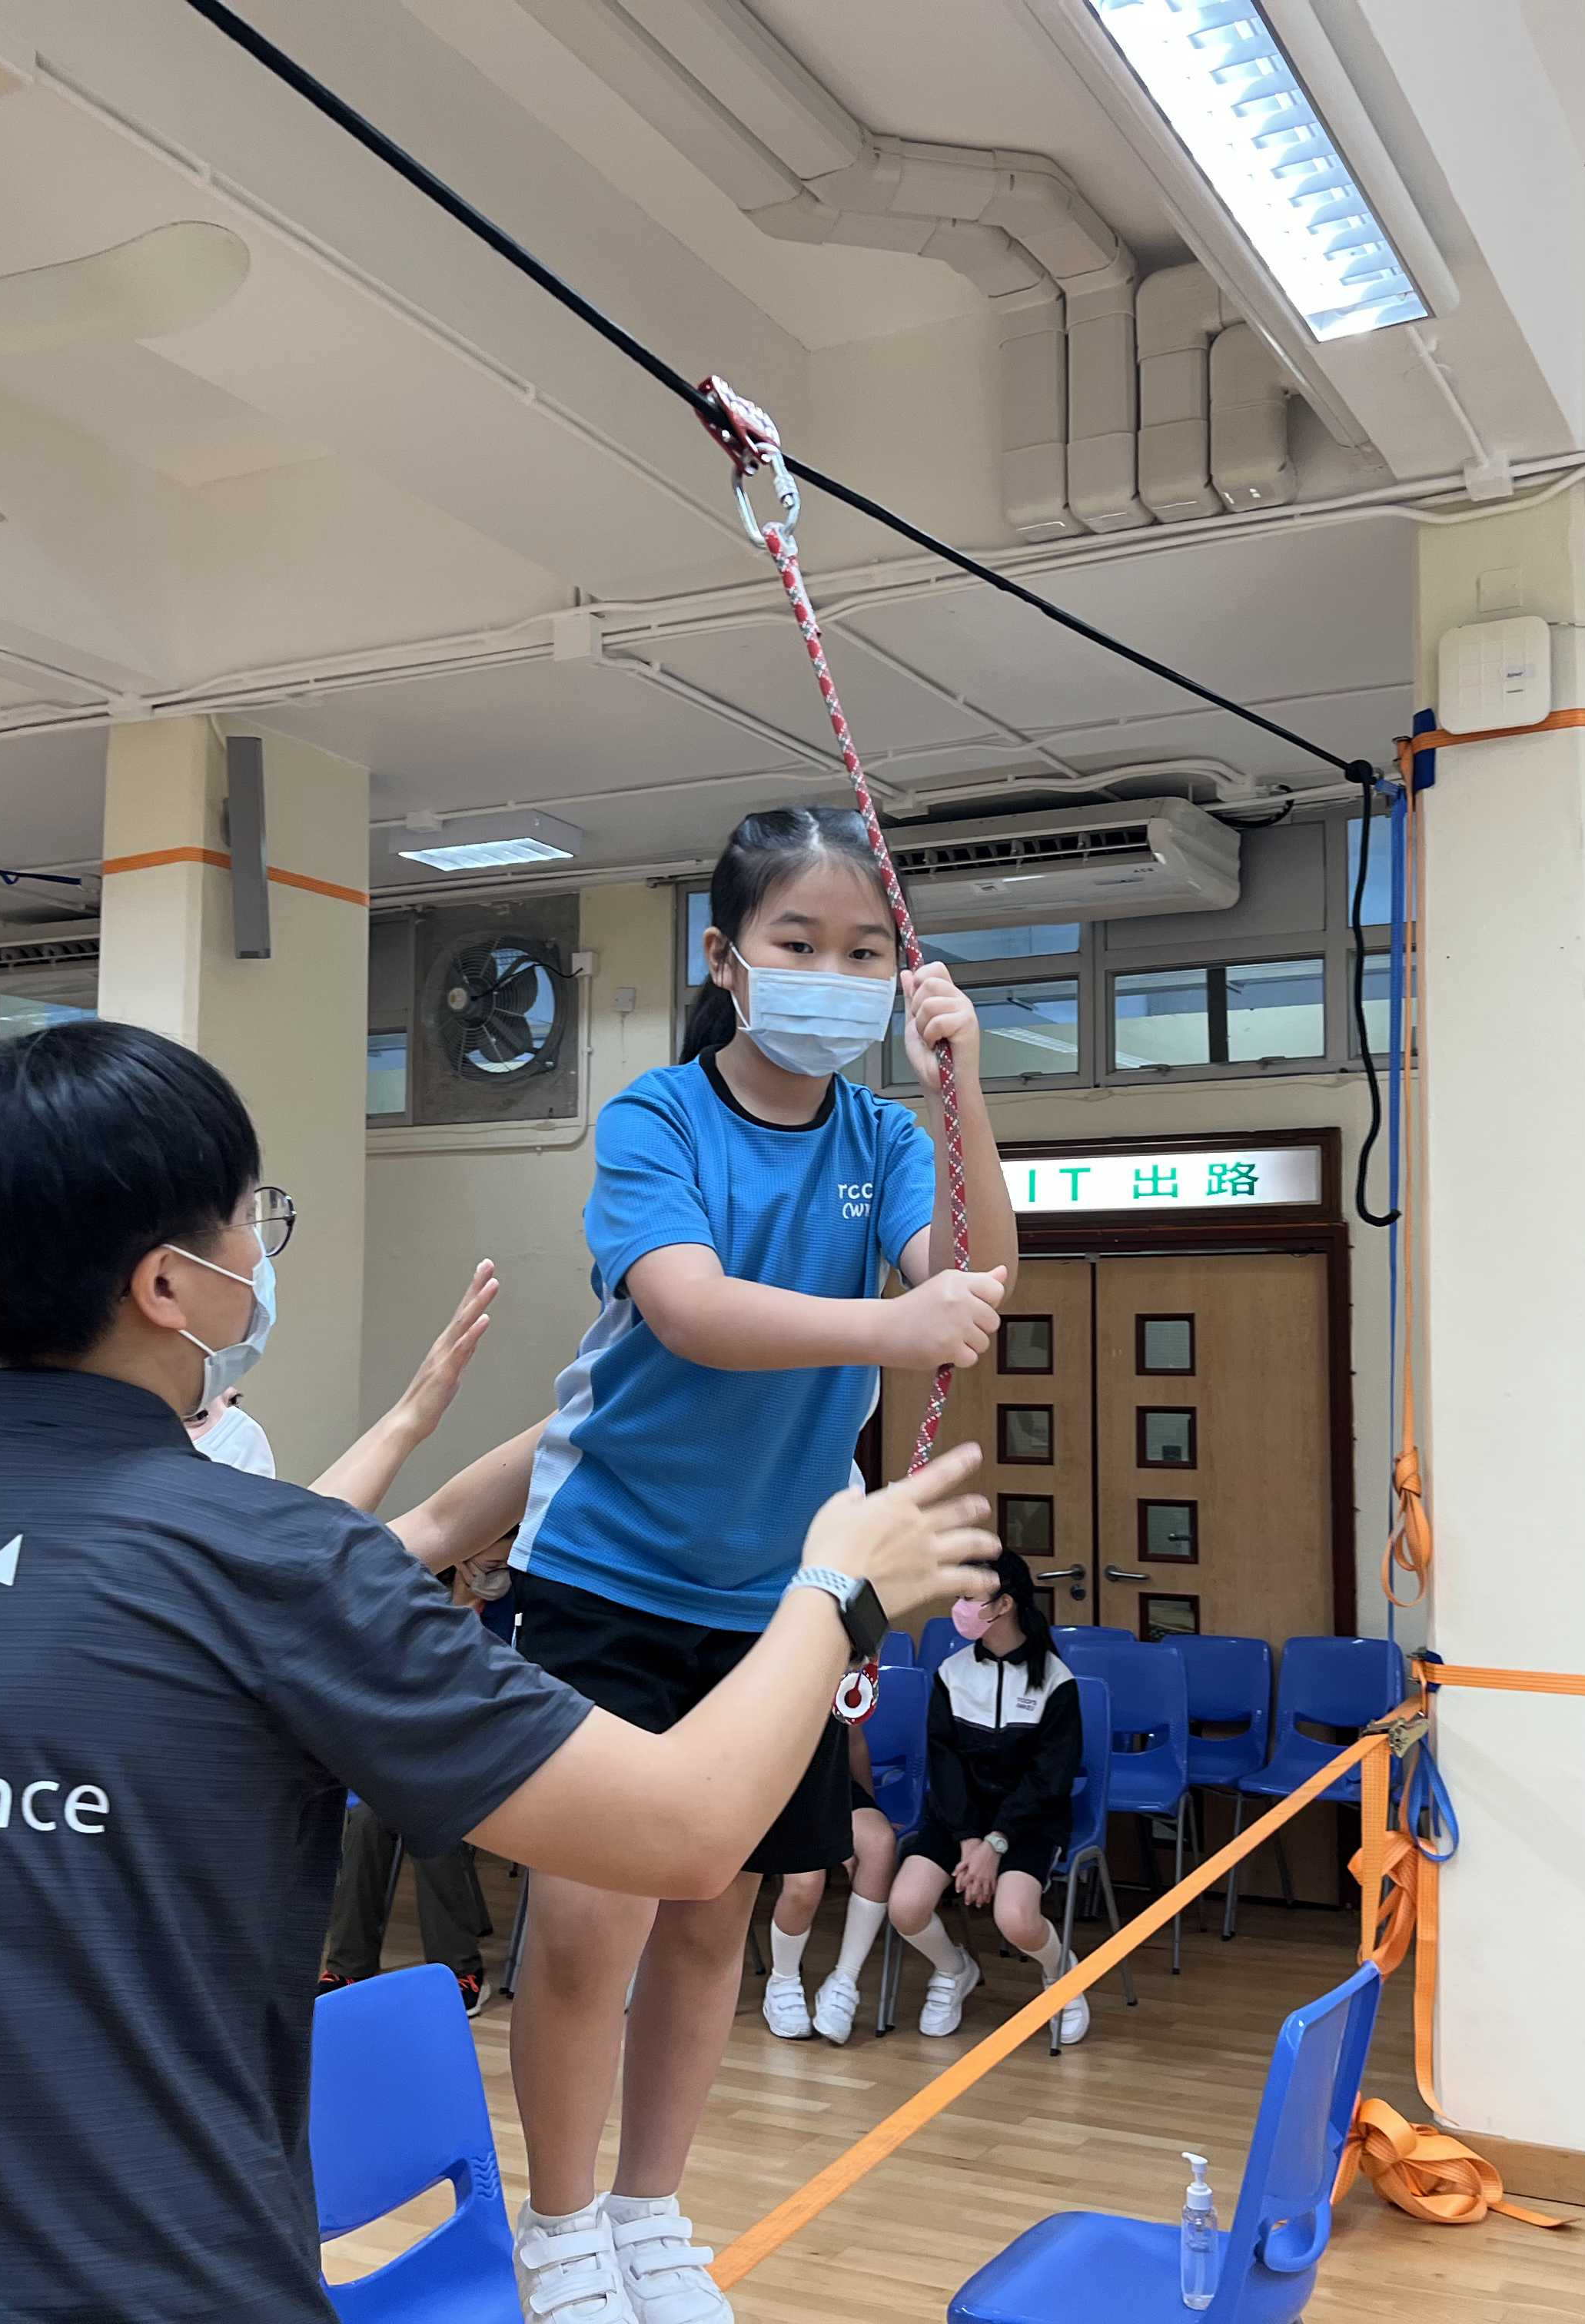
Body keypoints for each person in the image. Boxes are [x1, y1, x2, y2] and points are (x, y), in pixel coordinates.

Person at [0, 1018, 996, 2324]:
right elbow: (685, 1833)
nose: (259, 1248)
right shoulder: (270, 1564)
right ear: (167, 1285)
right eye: (249, 1219)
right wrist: (838, 1583)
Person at [503, 805, 1021, 2324]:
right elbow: (689, 1306)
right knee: (587, 1922)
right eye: (798, 942)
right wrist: (885, 1327)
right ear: (725, 959)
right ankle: (562, 2228)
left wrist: (962, 1085)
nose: (831, 975)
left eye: (865, 951)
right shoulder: (657, 1118)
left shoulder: (885, 1137)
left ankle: (651, 2214)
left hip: (777, 1603)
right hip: (605, 1573)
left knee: (712, 1915)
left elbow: (977, 1277)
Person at [888, 1547, 1090, 2047]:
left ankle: (1063, 1974)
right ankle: (954, 1968)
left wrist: (996, 1843)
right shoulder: (951, 1673)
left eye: (969, 1598)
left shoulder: (1056, 1682)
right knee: (906, 1907)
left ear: (1005, 1605)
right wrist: (967, 1839)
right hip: (960, 1820)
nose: (959, 1608)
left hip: (1029, 1821)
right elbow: (944, 1765)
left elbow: (1049, 1780)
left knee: (1016, 1920)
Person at [321, 1551, 510, 2016]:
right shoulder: (418, 1601)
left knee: (433, 1822)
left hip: (480, 1758)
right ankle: (348, 1967)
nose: (493, 1555)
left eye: (504, 1543)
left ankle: (458, 1969)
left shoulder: (514, 1613)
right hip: (408, 1754)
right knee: (367, 1819)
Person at [759, 1723, 897, 2046]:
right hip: (775, 1786)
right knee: (807, 1878)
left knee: (879, 1843)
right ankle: (782, 1981)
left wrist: (867, 1805)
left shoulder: (836, 1687)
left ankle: (845, 1980)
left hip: (831, 1784)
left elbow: (853, 1738)